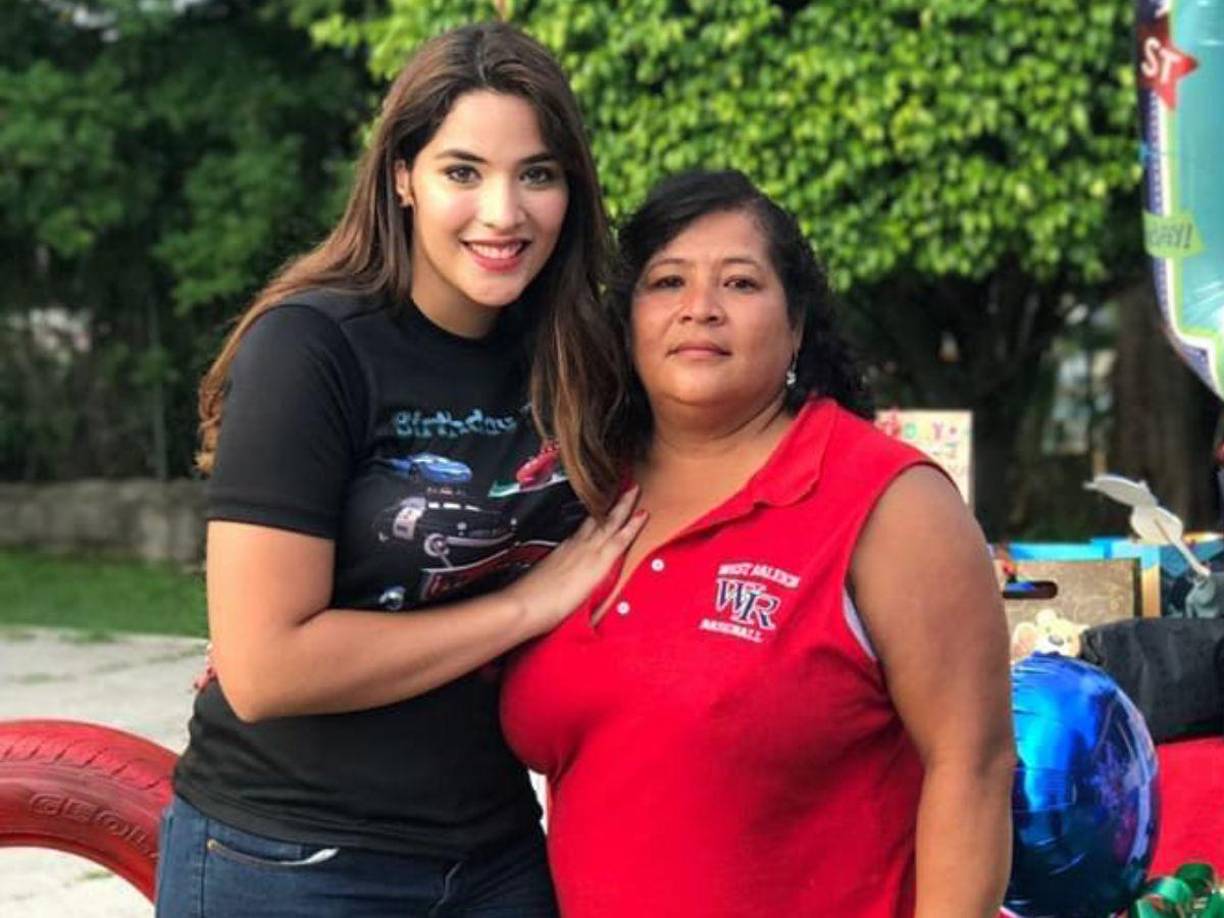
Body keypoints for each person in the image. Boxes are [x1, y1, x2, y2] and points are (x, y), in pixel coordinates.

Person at [155, 22, 647, 917]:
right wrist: (528, 605)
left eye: (536, 174)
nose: (504, 213)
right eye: (464, 171)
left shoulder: (577, 355)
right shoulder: (312, 349)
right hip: (291, 858)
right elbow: (264, 667)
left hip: (496, 851)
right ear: (402, 178)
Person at [501, 170, 1016, 917]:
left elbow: (973, 765)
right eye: (666, 281)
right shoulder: (576, 491)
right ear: (626, 320)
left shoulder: (887, 499)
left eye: (740, 285)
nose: (699, 310)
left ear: (797, 324)